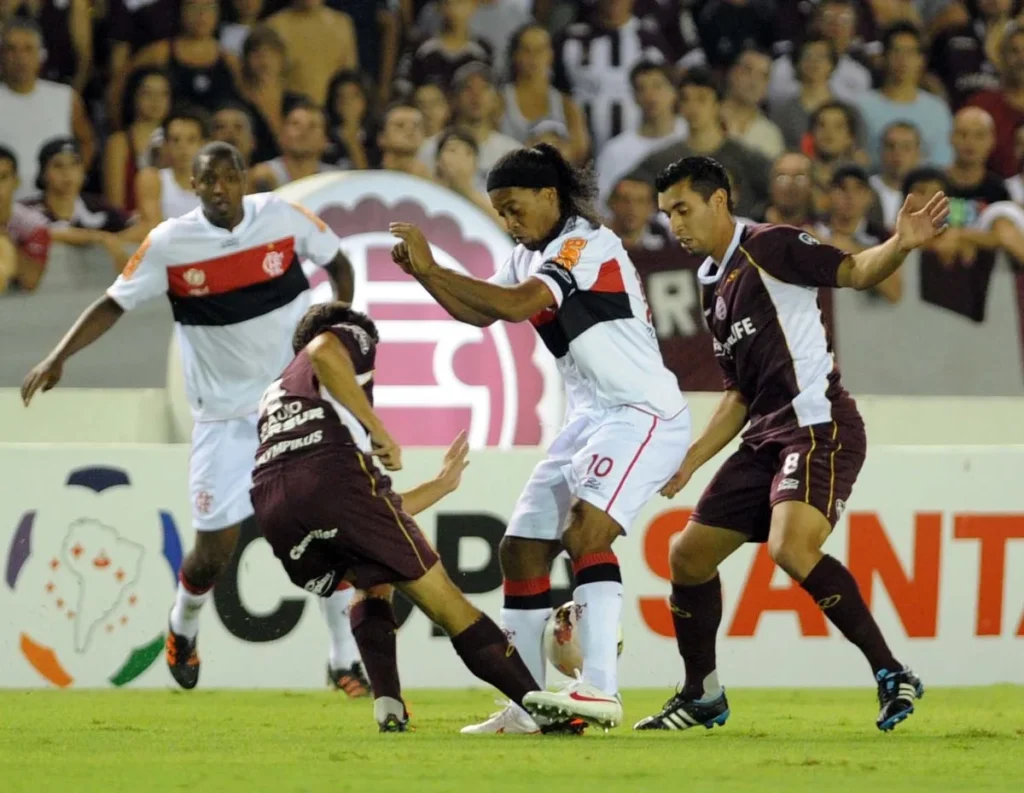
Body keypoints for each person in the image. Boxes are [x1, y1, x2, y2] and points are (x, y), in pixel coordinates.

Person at [20, 142, 367, 696]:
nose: (223, 189)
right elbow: (114, 302)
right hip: (222, 420)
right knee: (214, 553)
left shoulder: (279, 216)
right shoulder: (170, 243)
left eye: (232, 177)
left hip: (292, 403)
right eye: (211, 181)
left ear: (241, 179)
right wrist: (59, 355)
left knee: (326, 530)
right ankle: (182, 626)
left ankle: (343, 659)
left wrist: (337, 323)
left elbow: (339, 262)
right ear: (195, 184)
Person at [640, 155, 948, 733]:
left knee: (791, 547)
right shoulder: (713, 287)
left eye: (683, 209)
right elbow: (737, 395)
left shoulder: (771, 245)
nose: (675, 224)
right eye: (666, 214)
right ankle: (701, 694)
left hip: (817, 425)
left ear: (720, 202)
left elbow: (855, 271)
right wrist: (688, 462)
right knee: (687, 555)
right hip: (765, 437)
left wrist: (901, 247)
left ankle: (891, 672)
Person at [389, 143, 691, 732]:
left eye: (514, 207)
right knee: (521, 548)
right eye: (498, 211)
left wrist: (432, 267)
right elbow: (478, 311)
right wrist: (425, 276)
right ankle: (528, 706)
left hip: (641, 410)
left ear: (550, 196)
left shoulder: (585, 243)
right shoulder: (530, 252)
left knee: (587, 528)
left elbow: (517, 305)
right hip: (589, 418)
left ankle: (600, 690)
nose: (507, 221)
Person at [251, 303, 549, 732]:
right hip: (333, 482)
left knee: (373, 578)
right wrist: (377, 428)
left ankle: (388, 704)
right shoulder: (348, 334)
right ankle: (537, 707)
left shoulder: (279, 390)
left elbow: (363, 511)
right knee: (448, 604)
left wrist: (440, 486)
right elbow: (323, 351)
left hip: (274, 506)